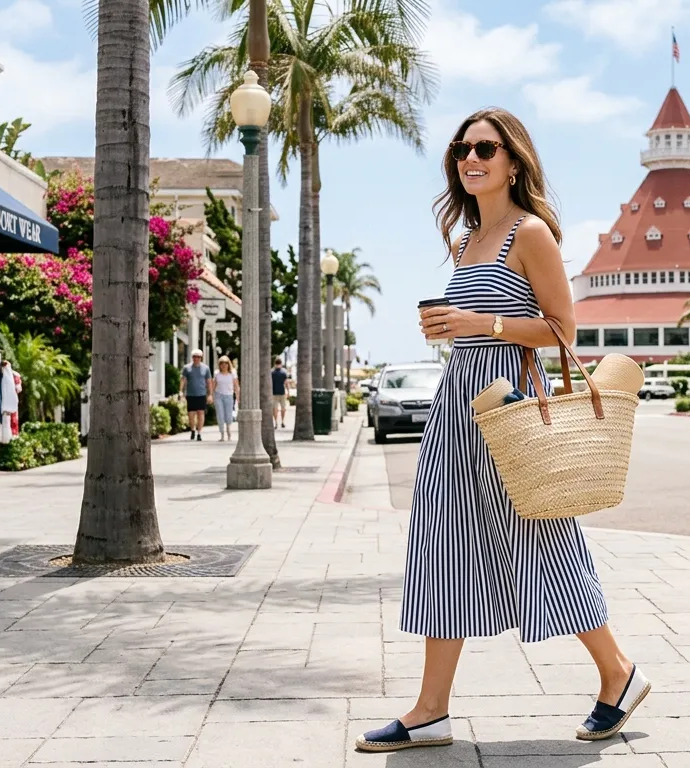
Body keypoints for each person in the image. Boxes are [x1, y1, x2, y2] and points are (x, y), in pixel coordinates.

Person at [355, 108, 644, 755]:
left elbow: (564, 332)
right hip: (459, 403)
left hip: (511, 405)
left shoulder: (530, 233)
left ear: (514, 160)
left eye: (485, 147)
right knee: (440, 540)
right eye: (462, 148)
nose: (470, 157)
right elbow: (473, 323)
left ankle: (618, 672)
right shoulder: (464, 239)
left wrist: (480, 324)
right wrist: (452, 328)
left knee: (542, 538)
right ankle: (431, 710)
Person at [181, 350, 213, 440]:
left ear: (201, 358)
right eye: (195, 356)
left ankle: (199, 433)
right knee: (191, 415)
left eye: (198, 357)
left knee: (201, 413)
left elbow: (209, 381)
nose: (196, 358)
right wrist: (180, 391)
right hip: (191, 394)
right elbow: (183, 379)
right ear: (192, 357)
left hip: (201, 394)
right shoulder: (187, 368)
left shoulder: (205, 368)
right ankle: (192, 430)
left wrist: (210, 394)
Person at [213, 356, 238, 442]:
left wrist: (238, 397)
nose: (224, 365)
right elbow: (214, 385)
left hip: (229, 396)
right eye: (222, 364)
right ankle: (222, 434)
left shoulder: (232, 373)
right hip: (218, 396)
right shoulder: (217, 373)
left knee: (228, 415)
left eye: (225, 363)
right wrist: (211, 396)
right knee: (220, 415)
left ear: (228, 364)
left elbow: (236, 386)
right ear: (219, 365)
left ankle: (228, 431)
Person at [270, 357, 290, 429]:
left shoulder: (271, 372)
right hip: (282, 392)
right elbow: (286, 383)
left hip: (274, 393)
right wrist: (288, 391)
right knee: (283, 408)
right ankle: (282, 421)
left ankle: (276, 422)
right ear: (281, 364)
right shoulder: (284, 372)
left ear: (275, 363)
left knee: (275, 409)